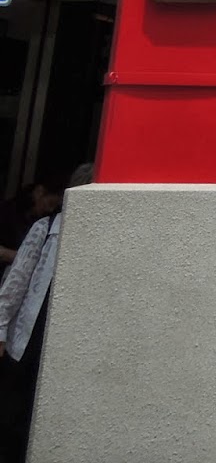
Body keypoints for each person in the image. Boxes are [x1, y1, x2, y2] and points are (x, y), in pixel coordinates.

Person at [0, 164, 88, 463]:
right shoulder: (46, 228)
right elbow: (16, 283)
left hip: (64, 342)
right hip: (28, 337)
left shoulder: (99, 237)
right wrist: (0, 329)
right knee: (13, 415)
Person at [0, 181, 61, 277]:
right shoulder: (6, 211)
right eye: (50, 203)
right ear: (39, 192)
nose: (50, 210)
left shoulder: (41, 223)